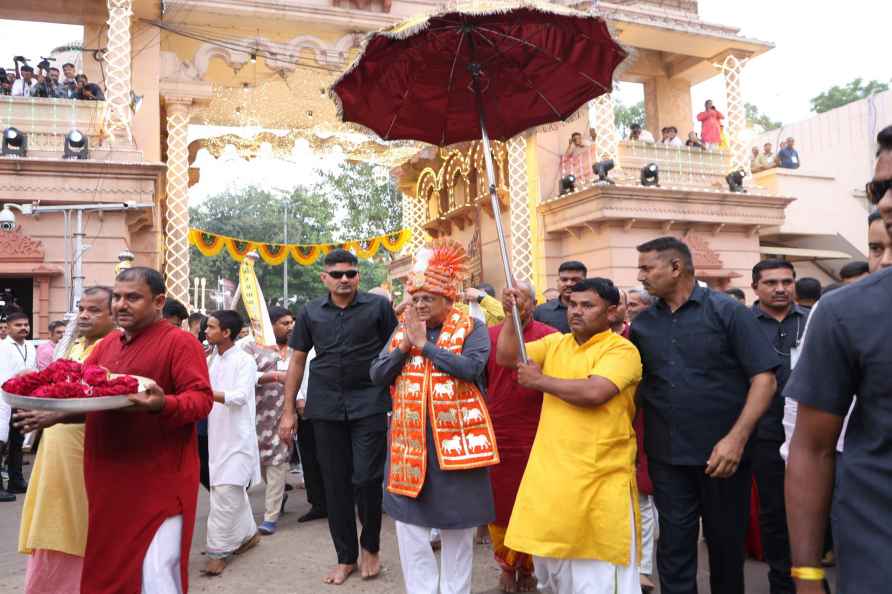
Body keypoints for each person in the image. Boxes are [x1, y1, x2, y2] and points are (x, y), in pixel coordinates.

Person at [16, 266, 214, 593]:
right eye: (118, 297)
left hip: (158, 482)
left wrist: (163, 404)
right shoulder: (107, 345)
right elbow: (92, 400)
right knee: (110, 571)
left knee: (154, 572)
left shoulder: (180, 343)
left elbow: (201, 400)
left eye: (133, 297)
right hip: (106, 479)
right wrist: (57, 416)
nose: (121, 305)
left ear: (159, 301)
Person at [630, 237, 779, 594]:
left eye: (647, 268)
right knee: (674, 553)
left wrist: (735, 440)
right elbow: (634, 389)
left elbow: (765, 379)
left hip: (724, 458)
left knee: (726, 551)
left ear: (676, 268)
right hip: (667, 456)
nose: (641, 277)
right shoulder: (643, 325)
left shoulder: (728, 312)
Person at [497, 278, 642, 594]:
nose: (576, 312)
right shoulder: (557, 344)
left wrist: (540, 381)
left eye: (587, 305)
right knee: (555, 580)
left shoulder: (622, 350)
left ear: (612, 311)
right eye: (572, 305)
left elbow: (595, 391)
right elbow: (507, 356)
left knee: (599, 583)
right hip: (553, 485)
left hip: (599, 483)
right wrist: (512, 315)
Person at [370, 239, 498, 594]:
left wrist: (426, 346)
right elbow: (377, 374)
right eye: (417, 298)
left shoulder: (472, 329)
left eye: (429, 298)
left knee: (458, 529)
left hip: (456, 446)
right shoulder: (403, 330)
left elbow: (472, 368)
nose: (421, 304)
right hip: (410, 444)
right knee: (409, 527)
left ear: (449, 299)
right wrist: (407, 346)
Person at [278, 248, 397, 585]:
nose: (345, 279)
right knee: (335, 485)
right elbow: (297, 360)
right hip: (325, 406)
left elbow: (396, 349)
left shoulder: (378, 307)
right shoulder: (311, 312)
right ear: (325, 278)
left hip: (370, 403)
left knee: (367, 478)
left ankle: (370, 547)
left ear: (358, 276)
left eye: (351, 273)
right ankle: (345, 558)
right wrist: (288, 411)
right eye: (337, 274)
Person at [16, 286, 115, 593]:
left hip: (84, 442)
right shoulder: (71, 345)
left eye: (95, 310)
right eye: (82, 308)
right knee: (51, 516)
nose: (85, 315)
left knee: (80, 521)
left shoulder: (113, 346)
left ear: (114, 315)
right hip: (55, 442)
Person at [484, 280, 557, 593]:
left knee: (533, 500)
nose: (513, 304)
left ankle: (528, 567)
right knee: (500, 501)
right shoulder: (487, 335)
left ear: (535, 303)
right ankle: (506, 566)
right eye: (507, 297)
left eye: (521, 299)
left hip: (537, 428)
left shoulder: (551, 338)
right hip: (498, 427)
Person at [748, 260, 808, 594]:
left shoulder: (813, 322)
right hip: (764, 432)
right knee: (773, 512)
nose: (781, 288)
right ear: (755, 286)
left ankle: (809, 576)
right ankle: (781, 582)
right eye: (771, 283)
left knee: (813, 509)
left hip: (812, 431)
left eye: (787, 281)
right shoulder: (742, 324)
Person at [203, 310, 261, 576]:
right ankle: (249, 535)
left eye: (212, 327)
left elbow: (238, 396)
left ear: (226, 333)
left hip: (238, 439)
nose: (206, 330)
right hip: (217, 436)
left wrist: (204, 393)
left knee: (225, 494)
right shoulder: (213, 359)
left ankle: (217, 552)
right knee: (230, 491)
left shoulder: (245, 361)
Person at [241, 306, 297, 535]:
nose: (291, 327)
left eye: (292, 322)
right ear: (270, 325)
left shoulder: (296, 348)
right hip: (256, 414)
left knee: (278, 461)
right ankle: (279, 494)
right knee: (263, 462)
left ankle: (270, 516)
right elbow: (244, 376)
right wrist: (273, 376)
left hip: (285, 412)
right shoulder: (249, 346)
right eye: (285, 323)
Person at [625, 289, 657, 592]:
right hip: (623, 426)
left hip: (649, 424)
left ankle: (644, 568)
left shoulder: (645, 336)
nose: (627, 309)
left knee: (644, 500)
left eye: (633, 305)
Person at [0, 311, 36, 501]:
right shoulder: (2, 347)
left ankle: (16, 481)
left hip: (22, 401)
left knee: (17, 443)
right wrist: (20, 375)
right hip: (4, 400)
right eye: (18, 325)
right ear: (7, 327)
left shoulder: (30, 346)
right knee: (0, 444)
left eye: (26, 324)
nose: (23, 328)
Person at [295, 346, 327, 523]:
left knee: (331, 458)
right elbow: (293, 372)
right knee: (309, 458)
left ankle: (338, 501)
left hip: (329, 408)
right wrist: (298, 398)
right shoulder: (300, 347)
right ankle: (318, 504)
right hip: (305, 408)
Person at [533, 261, 587, 333]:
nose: (569, 284)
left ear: (585, 281)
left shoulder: (596, 309)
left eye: (575, 280)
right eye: (564, 280)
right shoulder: (541, 311)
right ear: (558, 281)